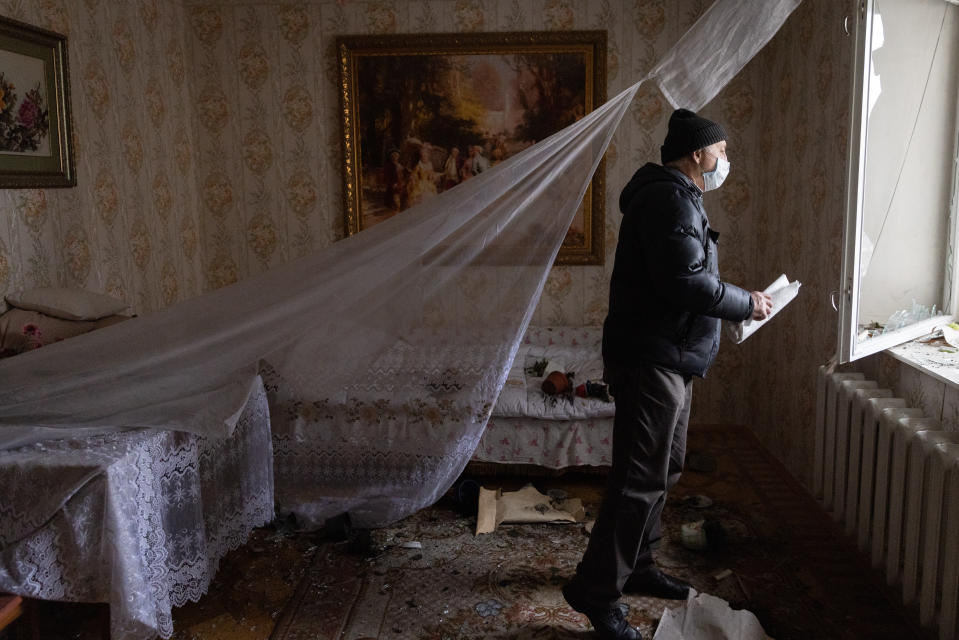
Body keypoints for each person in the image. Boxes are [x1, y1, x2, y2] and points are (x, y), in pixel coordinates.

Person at [561, 108, 773, 640]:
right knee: (638, 480)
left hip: (672, 356)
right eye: (721, 151)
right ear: (698, 153)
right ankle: (596, 591)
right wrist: (746, 302)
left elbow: (689, 276)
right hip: (652, 357)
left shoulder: (679, 198)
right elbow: (685, 282)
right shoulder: (669, 198)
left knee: (666, 467)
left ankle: (639, 564)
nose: (726, 159)